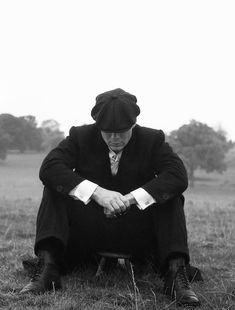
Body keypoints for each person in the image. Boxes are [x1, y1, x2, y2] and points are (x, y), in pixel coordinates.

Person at [20, 88, 200, 307]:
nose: (115, 138)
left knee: (170, 196)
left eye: (122, 131)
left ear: (133, 124)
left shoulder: (153, 140)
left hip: (136, 232)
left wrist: (130, 199)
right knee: (54, 188)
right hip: (90, 231)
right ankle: (47, 269)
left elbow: (177, 176)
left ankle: (175, 274)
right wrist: (98, 193)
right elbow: (49, 168)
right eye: (108, 132)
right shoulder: (80, 136)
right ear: (98, 126)